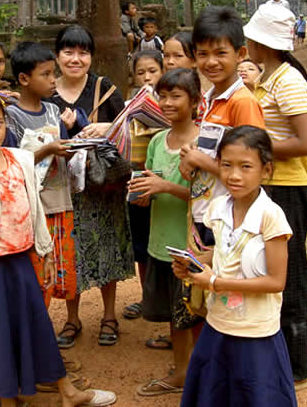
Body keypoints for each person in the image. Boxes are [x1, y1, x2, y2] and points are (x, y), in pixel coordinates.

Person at [0, 91, 116, 407]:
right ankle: (9, 398)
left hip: (22, 259)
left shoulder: (21, 159)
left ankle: (66, 392)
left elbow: (35, 209)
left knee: (37, 326)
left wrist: (46, 251)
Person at [173, 126, 298, 407]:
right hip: (218, 324)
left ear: (266, 170)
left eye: (246, 166)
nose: (234, 175)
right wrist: (193, 265)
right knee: (215, 393)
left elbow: (276, 281)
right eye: (226, 165)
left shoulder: (271, 216)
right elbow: (224, 253)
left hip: (255, 332)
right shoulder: (218, 207)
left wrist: (215, 283)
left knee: (253, 395)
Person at [244, 2, 307, 389]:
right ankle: (276, 355)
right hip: (271, 182)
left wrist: (256, 148)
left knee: (289, 273)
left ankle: (295, 364)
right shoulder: (268, 77)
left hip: (287, 186)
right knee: (269, 266)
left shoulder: (288, 81)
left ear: (262, 42)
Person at [49, 25, 134, 348]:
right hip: (63, 186)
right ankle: (72, 318)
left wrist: (106, 127)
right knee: (70, 250)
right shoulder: (47, 91)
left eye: (83, 53)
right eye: (68, 52)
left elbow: (129, 127)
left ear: (91, 57)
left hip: (103, 186)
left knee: (108, 246)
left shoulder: (104, 88)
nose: (75, 59)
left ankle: (109, 315)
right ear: (57, 55)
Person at [129, 69, 203, 398]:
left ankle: (200, 373)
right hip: (161, 243)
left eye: (176, 96)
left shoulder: (203, 143)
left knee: (196, 311)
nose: (168, 103)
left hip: (190, 245)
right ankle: (182, 371)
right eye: (163, 96)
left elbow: (207, 197)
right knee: (176, 315)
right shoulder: (158, 141)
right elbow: (151, 181)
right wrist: (144, 194)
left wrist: (166, 187)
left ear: (195, 101)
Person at [179, 6, 265, 251]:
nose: (211, 62)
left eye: (220, 53)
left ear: (240, 54)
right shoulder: (209, 99)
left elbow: (251, 169)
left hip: (230, 218)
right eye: (203, 54)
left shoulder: (242, 102)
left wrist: (200, 160)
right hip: (206, 212)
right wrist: (192, 153)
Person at [5, 42, 78, 306]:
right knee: (38, 273)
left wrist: (74, 148)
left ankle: (64, 321)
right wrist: (47, 149)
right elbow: (11, 161)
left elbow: (65, 148)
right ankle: (37, 326)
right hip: (32, 206)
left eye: (53, 73)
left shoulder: (53, 111)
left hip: (60, 200)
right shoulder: (10, 116)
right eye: (45, 74)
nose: (53, 80)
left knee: (62, 270)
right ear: (24, 79)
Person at [122, 50, 165, 322]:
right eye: (141, 72)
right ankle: (146, 298)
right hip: (138, 182)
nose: (147, 77)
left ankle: (168, 300)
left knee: (166, 244)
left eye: (152, 71)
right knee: (142, 247)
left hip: (167, 185)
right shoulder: (129, 106)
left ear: (163, 71)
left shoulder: (173, 102)